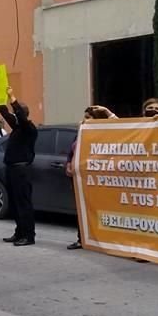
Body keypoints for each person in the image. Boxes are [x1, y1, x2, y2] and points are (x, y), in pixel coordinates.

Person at [0, 87, 38, 247]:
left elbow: (19, 116)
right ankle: (19, 232)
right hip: (12, 169)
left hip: (22, 170)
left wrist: (12, 97)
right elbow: (6, 114)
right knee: (14, 203)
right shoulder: (17, 128)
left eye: (17, 115)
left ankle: (29, 236)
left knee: (23, 203)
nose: (13, 118)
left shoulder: (29, 129)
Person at [66, 106, 111, 250]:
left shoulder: (102, 134)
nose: (85, 120)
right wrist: (68, 163)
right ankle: (82, 239)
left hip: (96, 179)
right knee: (81, 209)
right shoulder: (79, 133)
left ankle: (103, 239)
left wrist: (108, 113)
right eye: (85, 117)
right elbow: (71, 151)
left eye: (89, 117)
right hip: (79, 179)